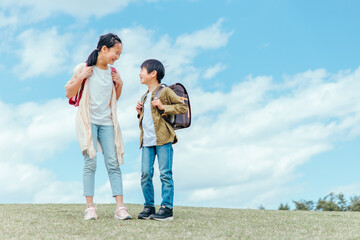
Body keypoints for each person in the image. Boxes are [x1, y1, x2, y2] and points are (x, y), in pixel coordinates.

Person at [65, 33, 131, 220]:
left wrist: (120, 86)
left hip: (108, 122)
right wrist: (81, 78)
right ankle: (90, 207)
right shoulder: (83, 68)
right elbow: (69, 93)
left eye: (119, 54)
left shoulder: (113, 73)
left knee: (113, 162)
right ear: (104, 49)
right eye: (115, 52)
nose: (117, 57)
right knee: (90, 162)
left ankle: (120, 208)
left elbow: (113, 100)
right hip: (89, 121)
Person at [135, 59, 187, 221]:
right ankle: (149, 206)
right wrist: (139, 111)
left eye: (142, 70)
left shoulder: (164, 92)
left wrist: (164, 106)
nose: (140, 73)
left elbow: (183, 107)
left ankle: (166, 208)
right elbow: (147, 119)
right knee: (145, 174)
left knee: (165, 174)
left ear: (153, 74)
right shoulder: (144, 96)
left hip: (163, 138)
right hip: (147, 142)